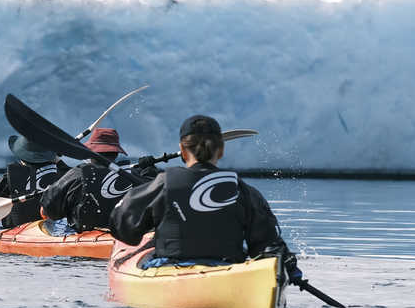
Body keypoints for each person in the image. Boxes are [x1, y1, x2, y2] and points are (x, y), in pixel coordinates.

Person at [111, 114, 302, 284]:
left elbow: (122, 227)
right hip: (227, 273)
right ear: (221, 151)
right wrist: (287, 265)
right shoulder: (242, 189)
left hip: (171, 270)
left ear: (183, 151)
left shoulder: (164, 183)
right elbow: (266, 243)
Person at [38, 126, 159, 233]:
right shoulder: (130, 174)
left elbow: (47, 211)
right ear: (116, 154)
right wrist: (149, 169)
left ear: (90, 153)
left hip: (84, 234)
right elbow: (157, 191)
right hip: (123, 231)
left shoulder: (77, 173)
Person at [0, 135, 64, 227]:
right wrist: (60, 163)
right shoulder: (65, 173)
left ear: (22, 157)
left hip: (18, 229)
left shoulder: (12, 175)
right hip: (54, 229)